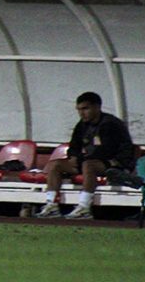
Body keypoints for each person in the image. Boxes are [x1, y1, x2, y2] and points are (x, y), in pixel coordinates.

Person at [36, 91, 136, 220]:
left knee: (89, 165)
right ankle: (51, 205)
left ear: (97, 107)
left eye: (85, 109)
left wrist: (80, 159)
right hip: (90, 161)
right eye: (79, 110)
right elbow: (74, 146)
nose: (82, 113)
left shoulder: (110, 124)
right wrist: (73, 157)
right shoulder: (82, 125)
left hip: (116, 163)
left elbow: (106, 151)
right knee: (55, 164)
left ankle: (84, 207)